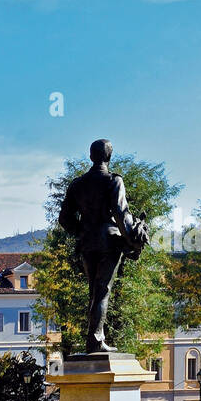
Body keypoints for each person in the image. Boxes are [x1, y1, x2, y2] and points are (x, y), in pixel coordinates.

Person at [57, 138, 150, 354]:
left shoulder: (77, 184)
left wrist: (82, 232)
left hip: (87, 244)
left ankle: (94, 338)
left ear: (91, 156)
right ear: (109, 157)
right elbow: (121, 214)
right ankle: (96, 340)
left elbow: (65, 218)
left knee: (94, 291)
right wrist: (132, 240)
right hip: (109, 242)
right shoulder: (113, 181)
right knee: (102, 291)